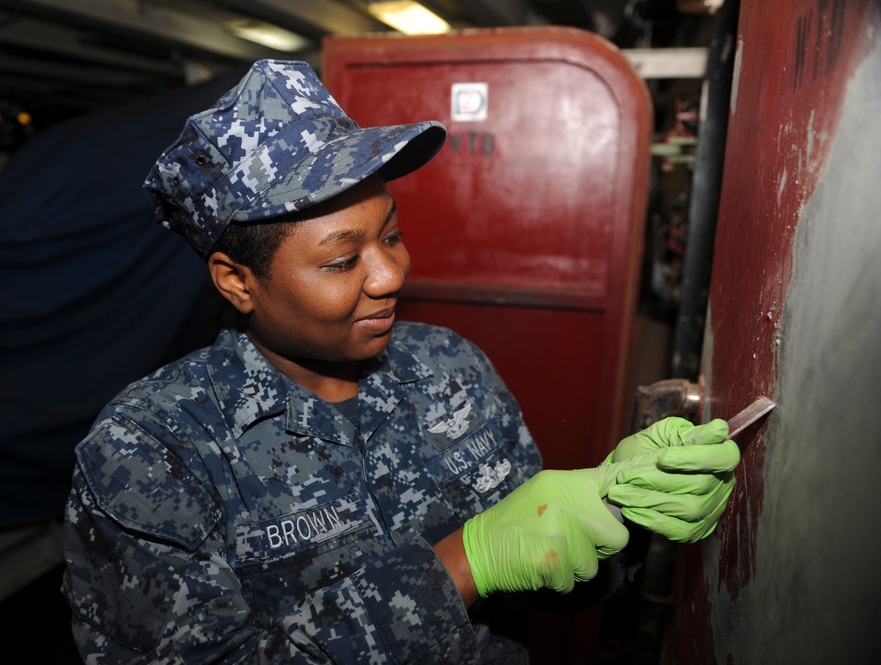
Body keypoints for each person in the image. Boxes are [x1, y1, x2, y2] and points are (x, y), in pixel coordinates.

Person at [62, 59, 740, 664]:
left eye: (393, 235)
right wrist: (464, 563)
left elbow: (555, 576)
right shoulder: (152, 449)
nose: (390, 274)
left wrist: (626, 508)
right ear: (237, 280)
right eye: (341, 259)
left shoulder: (451, 367)